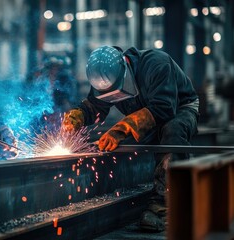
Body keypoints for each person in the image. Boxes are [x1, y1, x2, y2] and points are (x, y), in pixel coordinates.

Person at [62, 46, 199, 232]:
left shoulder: (157, 64)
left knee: (172, 133)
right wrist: (78, 115)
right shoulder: (106, 80)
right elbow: (95, 105)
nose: (115, 97)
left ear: (126, 66)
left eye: (116, 92)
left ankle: (165, 207)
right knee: (114, 143)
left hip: (180, 108)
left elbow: (164, 108)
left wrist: (122, 128)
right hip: (144, 112)